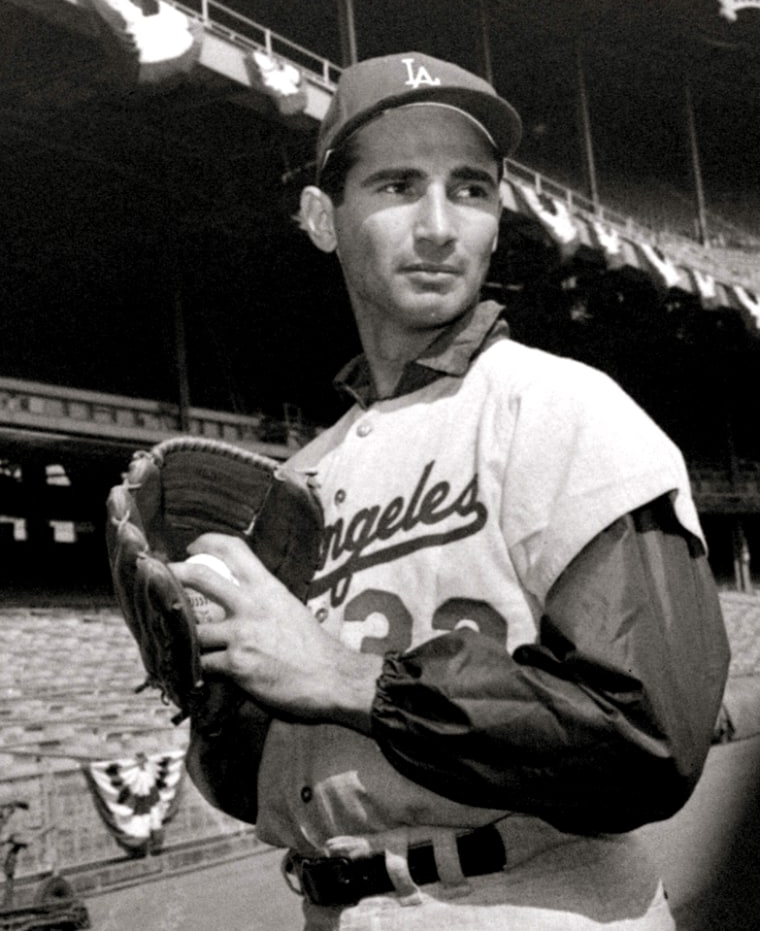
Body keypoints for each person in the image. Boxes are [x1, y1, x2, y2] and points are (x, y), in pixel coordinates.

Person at [171, 52, 730, 930]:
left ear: (499, 220)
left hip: (536, 901)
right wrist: (210, 683)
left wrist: (350, 680)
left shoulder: (561, 408)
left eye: (469, 189)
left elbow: (648, 733)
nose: (440, 226)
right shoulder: (295, 479)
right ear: (323, 216)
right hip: (332, 908)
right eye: (398, 184)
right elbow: (256, 783)